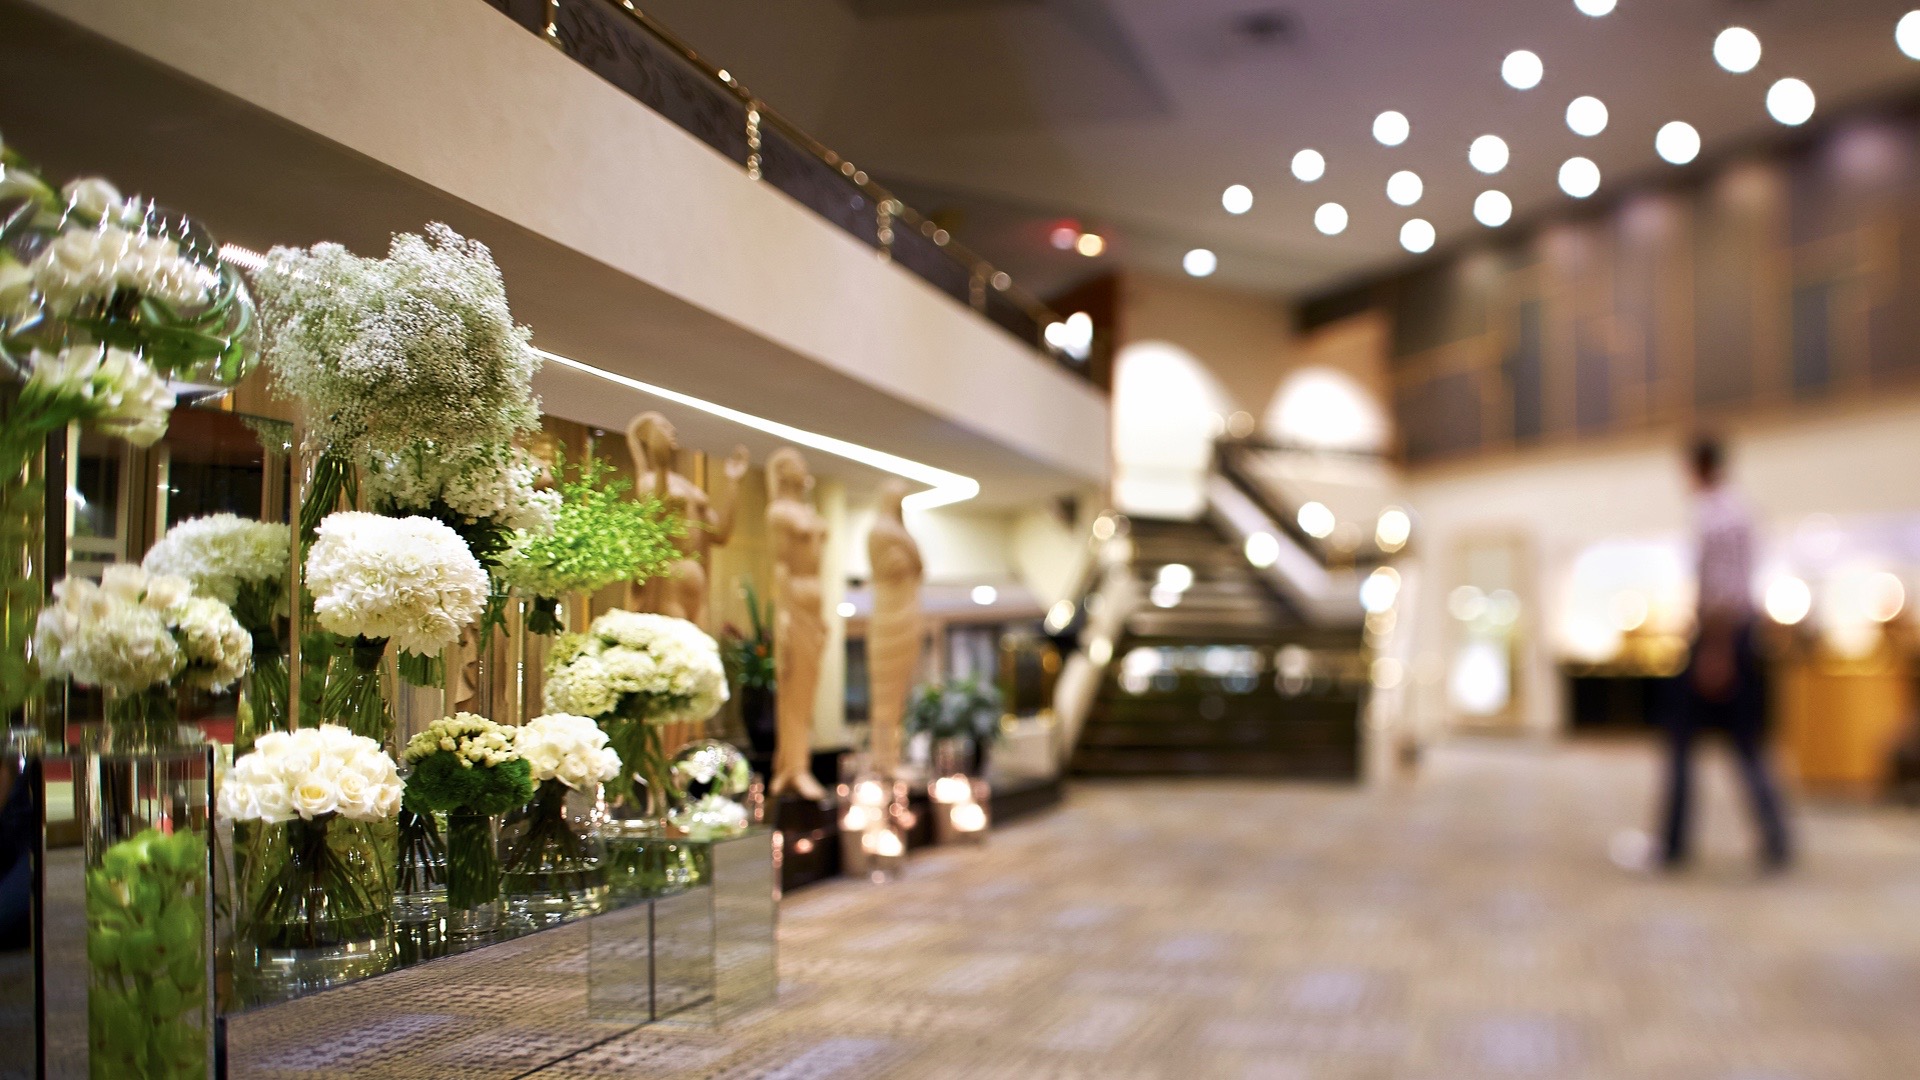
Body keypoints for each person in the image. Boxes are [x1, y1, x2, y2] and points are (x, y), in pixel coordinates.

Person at [1660, 435, 1791, 871]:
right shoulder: (1743, 511)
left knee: (1681, 744)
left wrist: (1715, 652)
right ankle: (1777, 839)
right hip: (1741, 635)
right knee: (1745, 744)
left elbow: (1718, 594)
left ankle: (1673, 846)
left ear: (1696, 467)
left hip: (1719, 638)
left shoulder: (1711, 515)